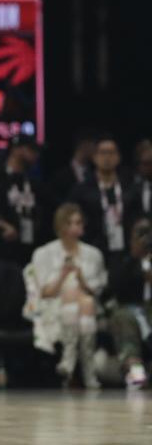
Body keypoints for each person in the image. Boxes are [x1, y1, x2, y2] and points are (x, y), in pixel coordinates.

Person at [26, 203, 106, 388]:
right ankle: (82, 367)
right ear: (60, 226)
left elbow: (98, 289)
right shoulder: (44, 253)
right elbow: (43, 292)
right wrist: (63, 275)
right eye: (70, 223)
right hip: (54, 306)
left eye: (78, 223)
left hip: (87, 309)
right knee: (72, 293)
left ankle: (73, 362)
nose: (75, 228)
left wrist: (82, 279)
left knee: (85, 301)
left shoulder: (93, 254)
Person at [0, 134, 46, 265]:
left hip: (27, 250)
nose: (36, 155)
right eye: (31, 149)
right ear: (16, 150)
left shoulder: (33, 183)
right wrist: (1, 225)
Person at [70, 134, 131, 266]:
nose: (107, 157)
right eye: (103, 153)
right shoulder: (82, 190)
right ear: (94, 157)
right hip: (91, 252)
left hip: (126, 253)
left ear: (118, 157)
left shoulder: (130, 187)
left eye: (111, 152)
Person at [107, 218, 152, 389]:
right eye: (139, 234)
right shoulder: (122, 259)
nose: (144, 238)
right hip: (131, 309)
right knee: (123, 317)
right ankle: (135, 370)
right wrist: (135, 256)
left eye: (148, 232)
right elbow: (116, 287)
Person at [49, 129, 96, 203]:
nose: (96, 150)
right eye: (94, 145)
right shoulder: (60, 176)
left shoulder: (95, 173)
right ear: (84, 145)